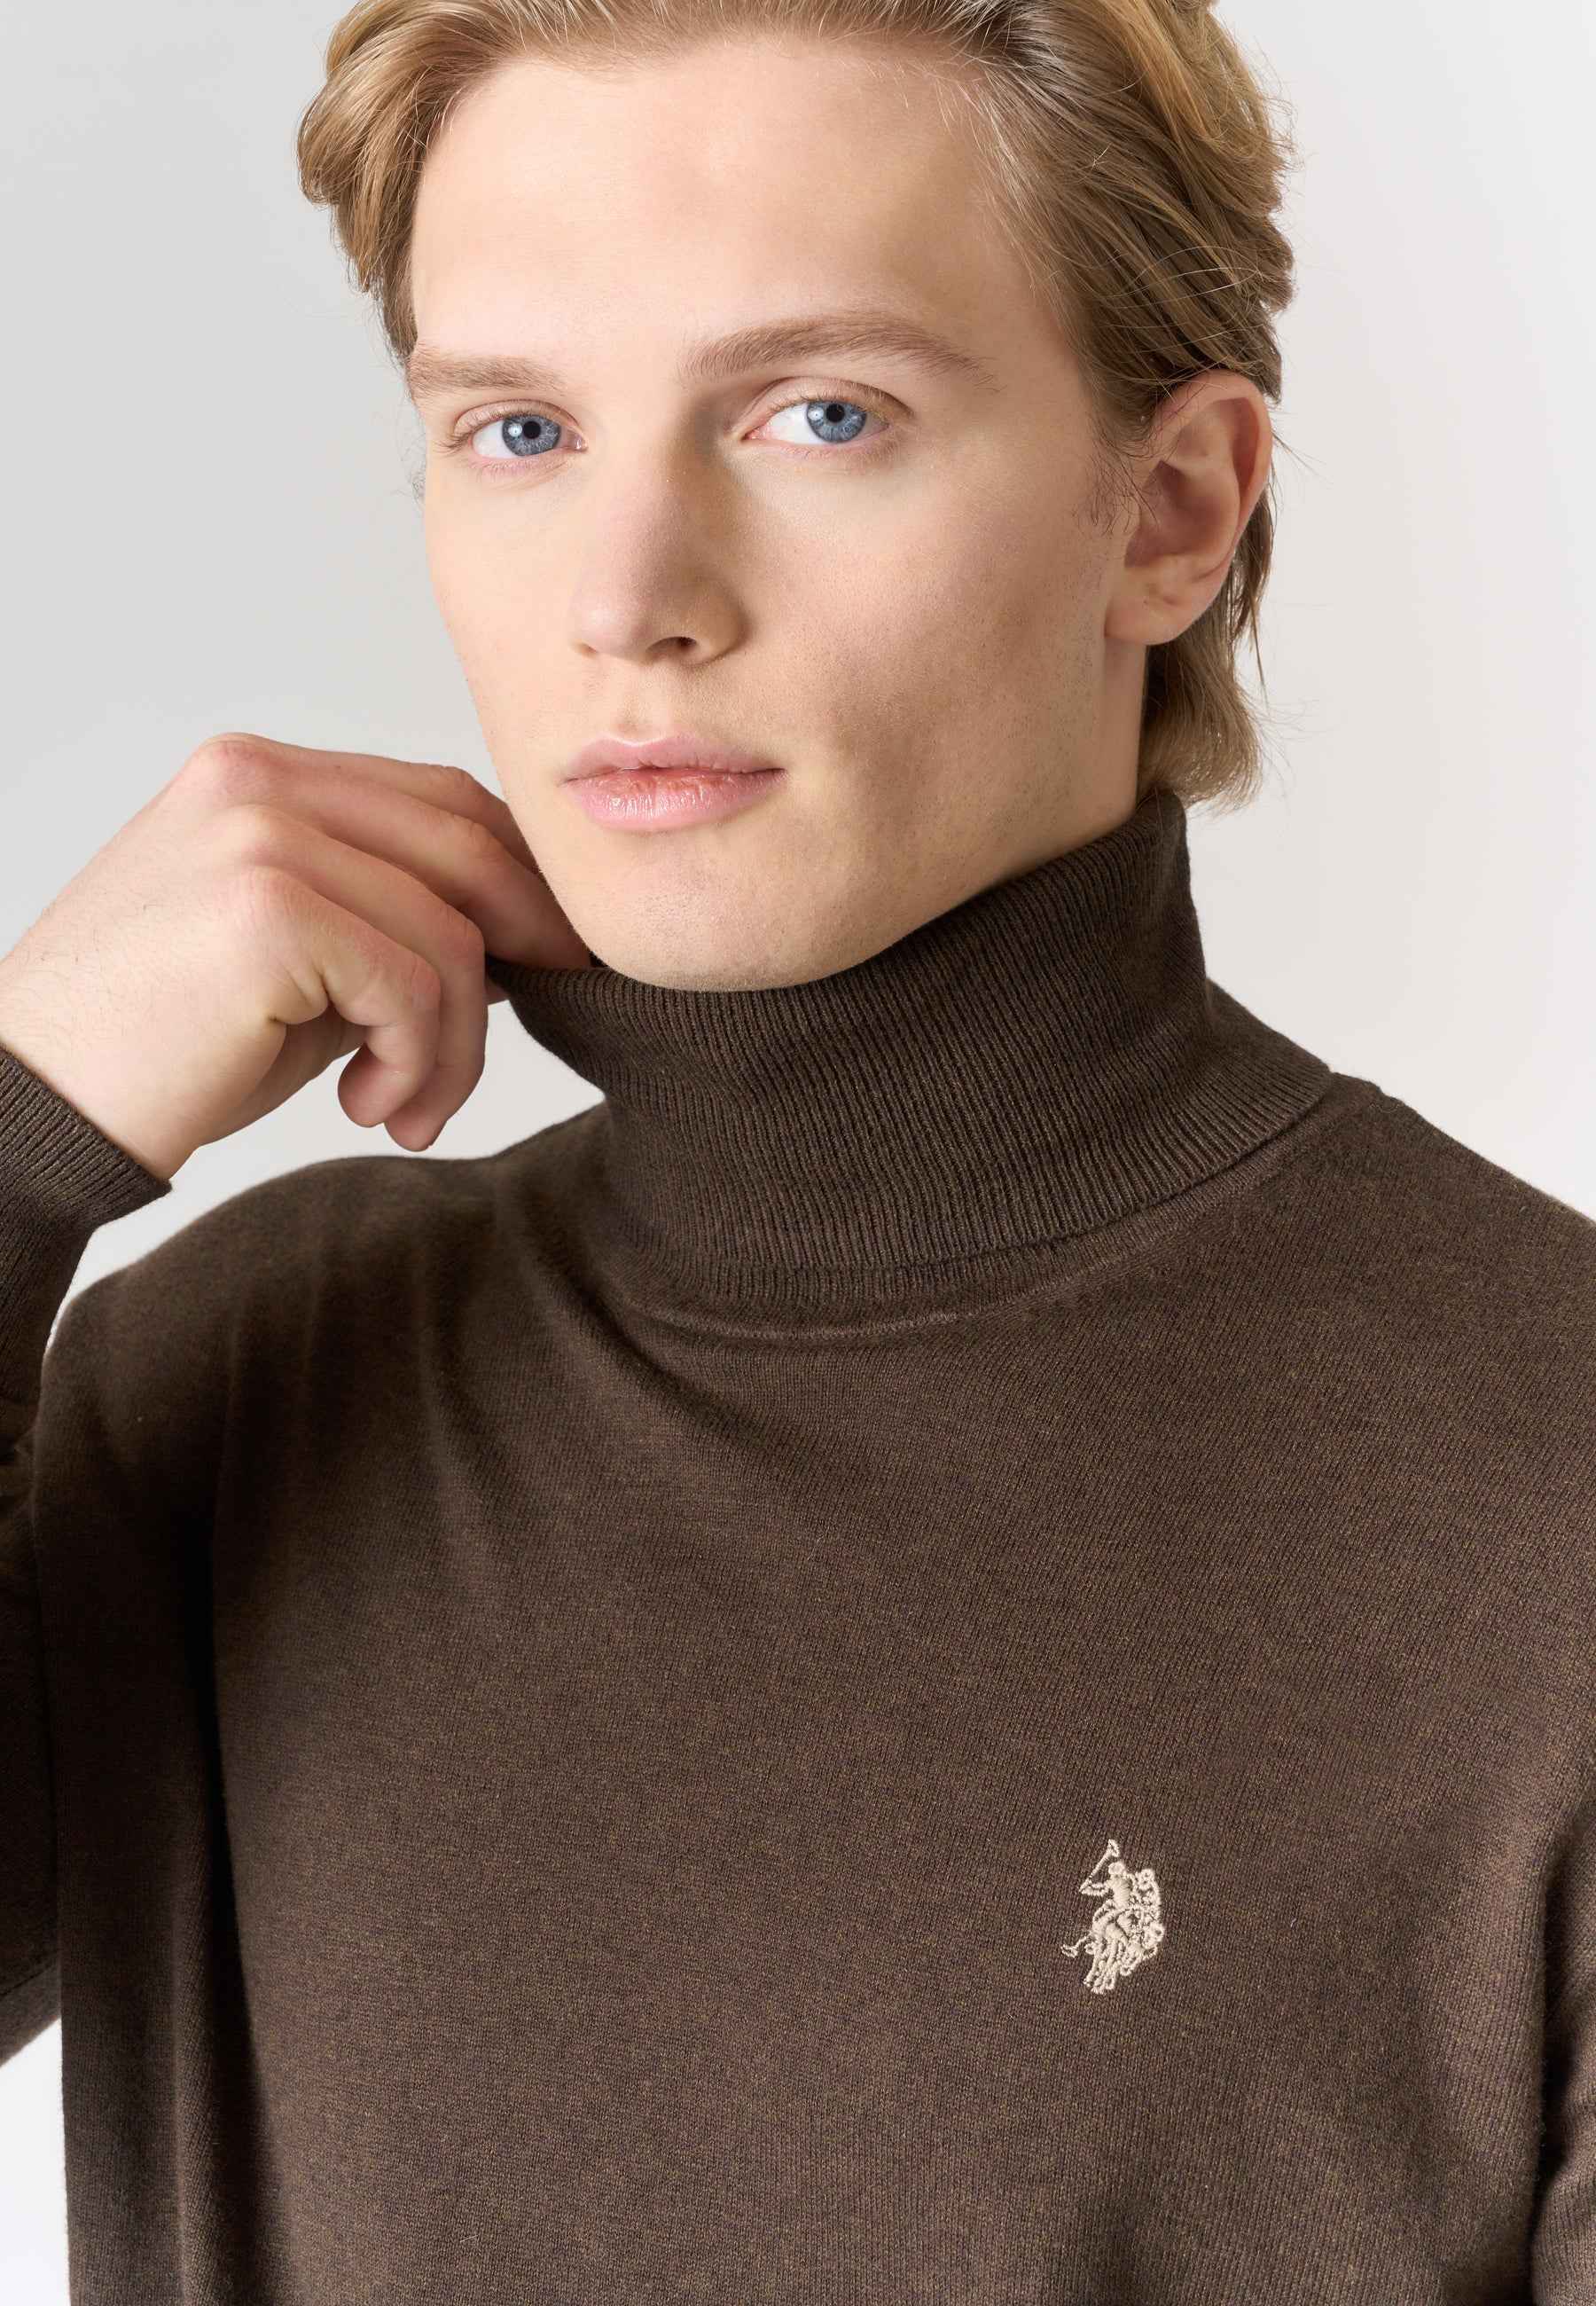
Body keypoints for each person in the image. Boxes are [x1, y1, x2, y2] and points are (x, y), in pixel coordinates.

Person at [1, 5, 1592, 2300]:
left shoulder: (1547, 1483)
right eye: (520, 430)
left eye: (819, 413)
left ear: (1172, 509)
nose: (626, 594)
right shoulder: (237, 1393)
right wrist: (17, 1134)